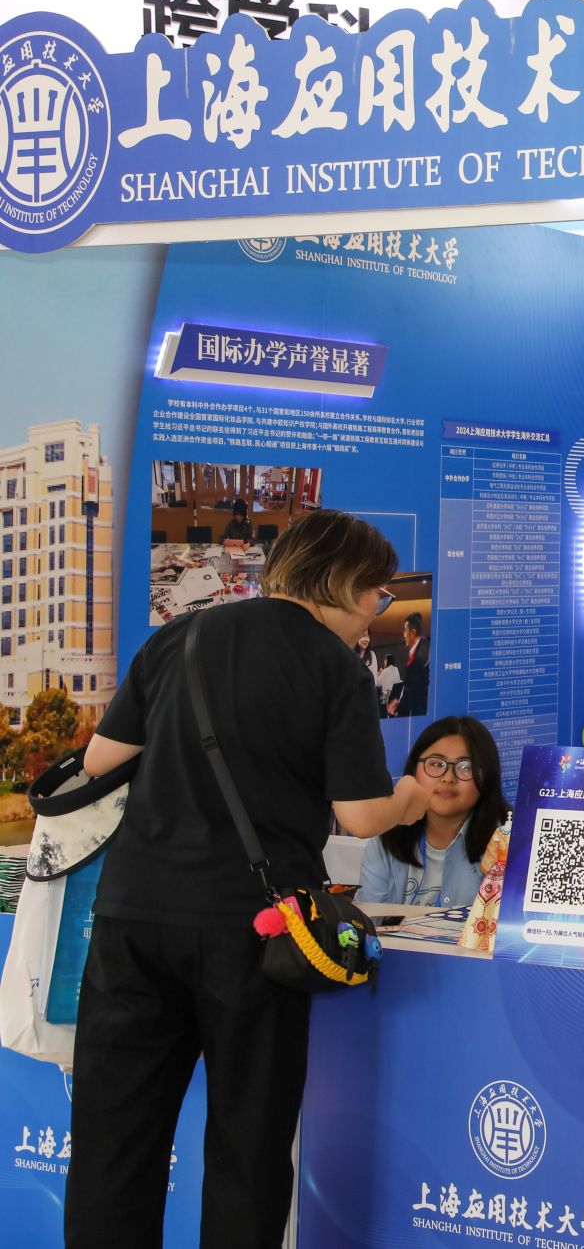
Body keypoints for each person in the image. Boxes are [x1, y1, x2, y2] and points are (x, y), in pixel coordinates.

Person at [67, 508, 433, 1249]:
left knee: (113, 1142)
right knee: (248, 1147)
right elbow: (362, 816)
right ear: (340, 581)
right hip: (259, 930)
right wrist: (410, 797)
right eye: (377, 593)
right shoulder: (334, 667)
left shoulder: (177, 636)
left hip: (135, 916)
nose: (377, 610)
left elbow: (100, 760)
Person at [356, 717, 509, 908]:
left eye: (466, 767)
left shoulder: (507, 842)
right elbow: (368, 919)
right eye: (436, 764)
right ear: (414, 770)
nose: (448, 778)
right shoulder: (386, 837)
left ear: (487, 776)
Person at [389, 611, 429, 717]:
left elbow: (411, 689)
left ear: (412, 632)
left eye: (405, 630)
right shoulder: (421, 648)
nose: (403, 635)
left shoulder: (420, 657)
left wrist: (398, 709)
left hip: (418, 712)